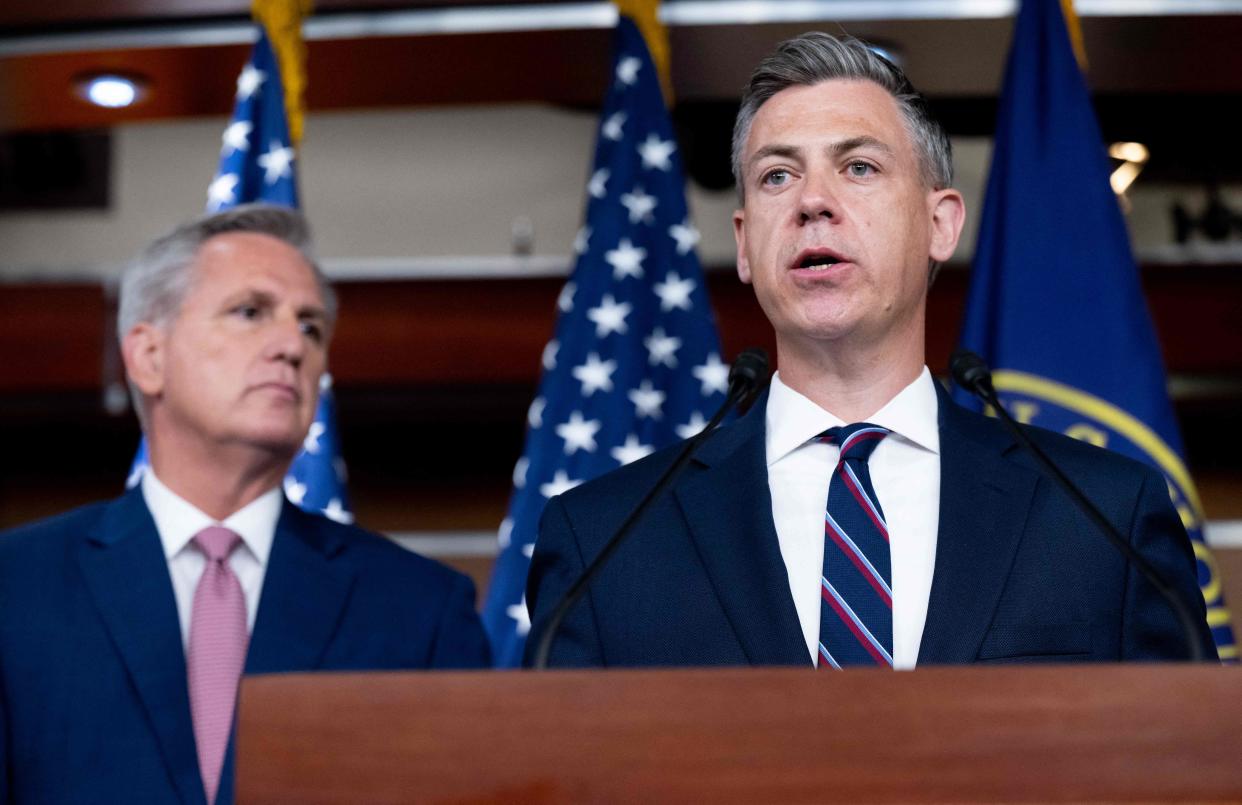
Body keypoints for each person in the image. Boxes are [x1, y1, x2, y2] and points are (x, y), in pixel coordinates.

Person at [524, 33, 1214, 669]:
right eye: (776, 177)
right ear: (742, 241)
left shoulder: (1104, 520)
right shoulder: (604, 541)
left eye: (858, 166)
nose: (812, 202)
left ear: (940, 223)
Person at [0, 204, 491, 805]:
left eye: (311, 327)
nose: (292, 345)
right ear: (149, 357)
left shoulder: (420, 609)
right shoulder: (16, 588)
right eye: (250, 312)